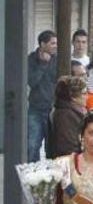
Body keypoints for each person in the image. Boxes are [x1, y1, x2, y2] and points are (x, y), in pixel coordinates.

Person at [27, 31, 59, 162]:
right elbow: (32, 81)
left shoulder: (58, 59)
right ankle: (32, 178)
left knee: (52, 148)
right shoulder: (31, 59)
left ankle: (51, 179)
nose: (55, 46)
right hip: (36, 110)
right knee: (32, 146)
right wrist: (43, 64)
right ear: (42, 44)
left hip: (53, 110)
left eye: (56, 43)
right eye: (52, 43)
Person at [48, 76, 87, 159]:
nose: (87, 96)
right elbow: (68, 148)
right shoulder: (65, 116)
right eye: (84, 93)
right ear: (73, 97)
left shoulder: (72, 112)